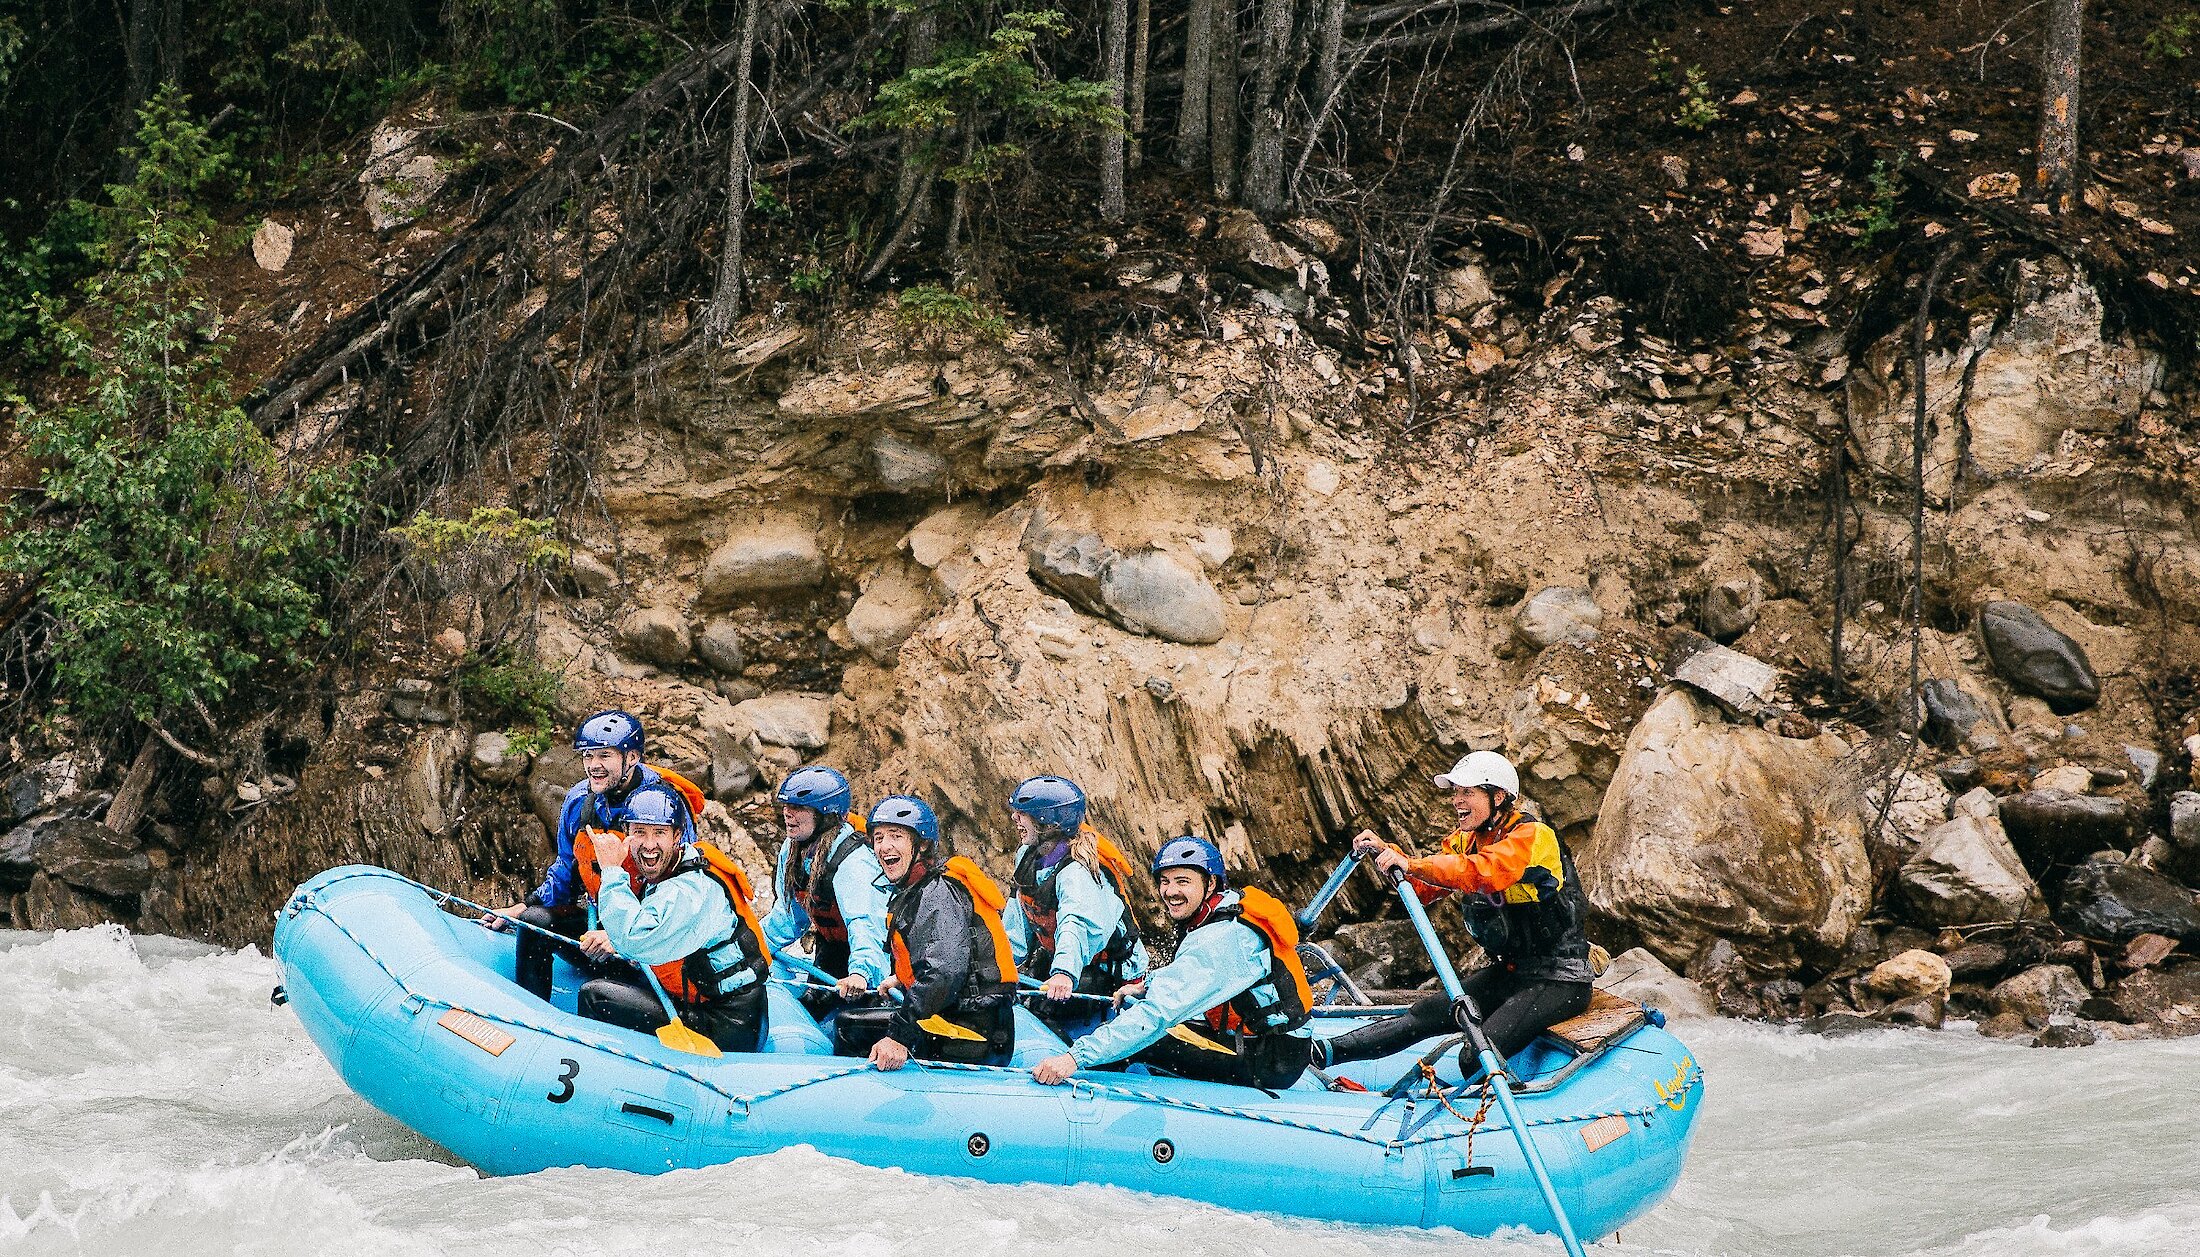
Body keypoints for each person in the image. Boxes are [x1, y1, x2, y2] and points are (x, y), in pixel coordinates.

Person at [1314, 751, 1593, 1069]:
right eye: (1455, 792)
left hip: (1559, 980)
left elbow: (1481, 872)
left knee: (1474, 1056)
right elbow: (1423, 888)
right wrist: (1388, 853)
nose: (1456, 800)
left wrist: (1412, 864)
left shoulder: (1534, 837)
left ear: (1498, 797)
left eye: (1467, 792)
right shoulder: (1467, 840)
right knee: (1421, 1016)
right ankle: (1319, 1053)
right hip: (1511, 973)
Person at [1030, 834, 1312, 1091]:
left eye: (1182, 881)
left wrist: (1073, 1058)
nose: (1170, 891)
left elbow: (1158, 1014)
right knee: (1140, 1016)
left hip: (1271, 1060)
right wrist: (1146, 984)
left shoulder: (1224, 937)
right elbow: (1191, 971)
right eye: (1165, 881)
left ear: (1210, 883)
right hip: (1265, 1043)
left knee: (1146, 1040)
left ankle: (1092, 1102)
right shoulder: (1222, 911)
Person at [480, 710, 701, 999]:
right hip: (600, 934)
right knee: (535, 920)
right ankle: (531, 1017)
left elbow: (680, 888)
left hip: (649, 943)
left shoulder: (665, 804)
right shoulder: (579, 802)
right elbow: (566, 870)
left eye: (604, 756)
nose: (593, 766)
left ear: (632, 758)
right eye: (588, 756)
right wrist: (524, 906)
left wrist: (625, 937)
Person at [572, 783, 772, 1053]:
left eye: (659, 833)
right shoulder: (673, 866)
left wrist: (611, 871)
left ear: (677, 835)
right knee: (615, 969)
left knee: (595, 995)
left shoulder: (692, 888)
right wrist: (612, 938)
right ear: (627, 834)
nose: (649, 844)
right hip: (708, 1000)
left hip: (728, 1022)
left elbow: (636, 939)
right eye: (639, 832)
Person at [835, 795, 1020, 1070]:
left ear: (921, 845)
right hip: (960, 1017)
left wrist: (898, 1036)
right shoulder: (920, 888)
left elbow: (945, 972)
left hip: (973, 1031)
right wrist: (901, 978)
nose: (884, 846)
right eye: (878, 838)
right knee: (856, 1019)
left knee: (849, 1027)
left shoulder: (938, 892)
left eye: (896, 836)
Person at [999, 775, 1149, 1038]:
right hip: (1063, 957)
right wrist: (998, 965)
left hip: (1107, 971)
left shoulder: (1078, 871)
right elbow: (1016, 919)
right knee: (1024, 1001)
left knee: (1047, 1010)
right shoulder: (1027, 856)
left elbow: (1076, 923)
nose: (1015, 819)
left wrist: (1064, 973)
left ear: (1049, 823)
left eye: (1023, 814)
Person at [760, 766, 890, 1005]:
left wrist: (861, 973)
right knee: (811, 1008)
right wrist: (751, 945)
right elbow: (787, 918)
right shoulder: (792, 851)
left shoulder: (854, 862)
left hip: (873, 961)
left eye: (798, 808)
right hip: (830, 951)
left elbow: (866, 924)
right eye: (786, 807)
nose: (787, 814)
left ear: (826, 815)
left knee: (851, 1030)